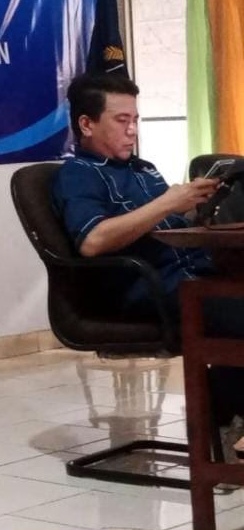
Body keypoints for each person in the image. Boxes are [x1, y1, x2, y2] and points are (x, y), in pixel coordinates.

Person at [53, 72, 244, 458]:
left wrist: (197, 204)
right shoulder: (78, 175)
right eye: (121, 120)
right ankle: (220, 417)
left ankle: (222, 414)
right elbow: (93, 241)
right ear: (86, 124)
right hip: (148, 289)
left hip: (194, 275)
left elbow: (167, 223)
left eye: (136, 119)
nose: (132, 131)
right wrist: (167, 202)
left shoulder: (144, 170)